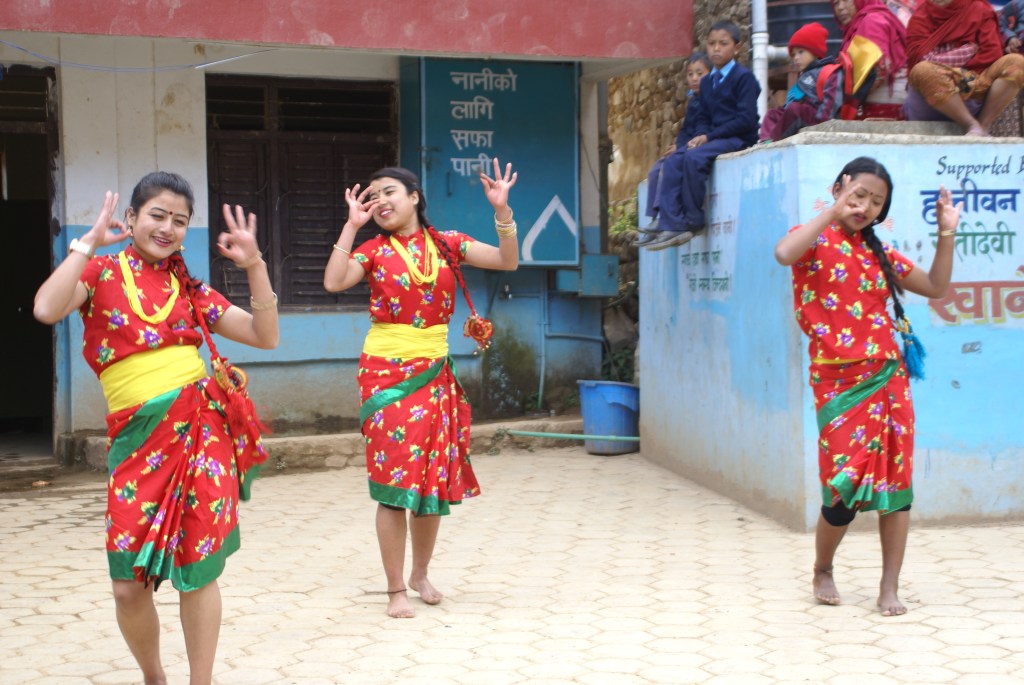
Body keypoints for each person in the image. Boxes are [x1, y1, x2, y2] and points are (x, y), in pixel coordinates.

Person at [33, 171, 279, 684]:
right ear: (131, 218)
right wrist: (85, 242)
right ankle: (154, 675)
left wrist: (254, 264)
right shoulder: (99, 273)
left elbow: (264, 335)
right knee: (128, 586)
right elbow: (46, 308)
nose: (167, 228)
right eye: (157, 215)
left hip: (200, 434)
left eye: (180, 221)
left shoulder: (190, 288)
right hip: (135, 442)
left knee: (197, 569)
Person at [323, 159, 519, 618]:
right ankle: (395, 589)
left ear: (414, 197)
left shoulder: (449, 244)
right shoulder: (372, 250)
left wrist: (502, 211)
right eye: (372, 197)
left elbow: (507, 260)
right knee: (394, 484)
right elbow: (334, 281)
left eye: (388, 192)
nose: (380, 201)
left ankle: (420, 574)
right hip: (385, 374)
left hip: (434, 372)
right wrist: (351, 227)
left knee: (431, 480)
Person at [774, 157, 959, 616]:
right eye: (859, 195)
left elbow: (936, 286)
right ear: (839, 188)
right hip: (838, 383)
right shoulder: (814, 239)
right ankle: (822, 568)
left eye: (876, 202)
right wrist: (832, 213)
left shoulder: (879, 252)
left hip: (888, 379)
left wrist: (947, 232)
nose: (866, 207)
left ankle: (888, 587)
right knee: (843, 489)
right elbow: (784, 254)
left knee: (896, 485)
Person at [645, 20, 761, 251]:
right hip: (714, 138)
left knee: (693, 158)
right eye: (711, 44)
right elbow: (703, 118)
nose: (716, 49)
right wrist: (698, 136)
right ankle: (671, 223)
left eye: (723, 43)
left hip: (738, 138)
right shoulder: (707, 82)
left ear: (736, 47)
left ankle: (693, 220)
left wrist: (709, 137)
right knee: (675, 160)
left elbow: (746, 119)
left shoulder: (743, 78)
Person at [903, 0, 1024, 135]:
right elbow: (919, 59)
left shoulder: (978, 8)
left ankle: (983, 125)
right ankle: (970, 124)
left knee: (1017, 62)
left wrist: (960, 73)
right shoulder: (920, 16)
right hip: (933, 91)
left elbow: (991, 53)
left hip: (975, 82)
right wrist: (967, 51)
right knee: (922, 70)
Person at [634, 53, 712, 246]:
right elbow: (686, 130)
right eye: (690, 74)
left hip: (700, 144)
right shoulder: (694, 100)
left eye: (699, 73)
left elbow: (704, 128)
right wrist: (679, 145)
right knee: (655, 171)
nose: (694, 78)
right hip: (687, 144)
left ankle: (669, 220)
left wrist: (687, 146)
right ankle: (657, 218)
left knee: (668, 168)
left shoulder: (711, 99)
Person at [759, 22, 837, 141]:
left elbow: (830, 103)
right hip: (796, 112)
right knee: (772, 114)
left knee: (794, 109)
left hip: (816, 117)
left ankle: (774, 142)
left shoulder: (828, 72)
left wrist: (823, 122)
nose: (796, 58)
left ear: (815, 52)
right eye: (793, 54)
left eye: (801, 52)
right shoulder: (804, 74)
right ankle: (765, 141)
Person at [832, 0, 909, 120]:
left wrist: (847, 97)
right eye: (836, 3)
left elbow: (879, 70)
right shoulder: (858, 24)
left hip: (883, 109)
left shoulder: (872, 21)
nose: (840, 7)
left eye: (846, 0)